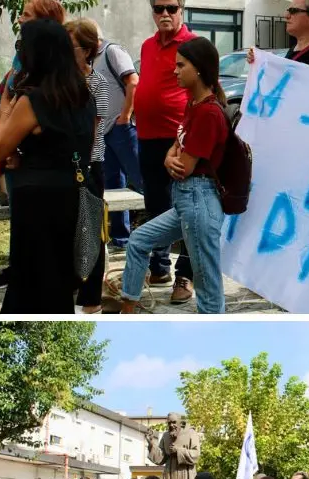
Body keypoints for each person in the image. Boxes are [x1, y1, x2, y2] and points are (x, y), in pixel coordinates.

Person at [0, 18, 96, 313]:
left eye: (22, 46)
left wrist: (5, 108)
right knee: (58, 283)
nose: (20, 53)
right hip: (73, 197)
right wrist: (30, 155)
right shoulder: (84, 95)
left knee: (29, 283)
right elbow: (75, 147)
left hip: (37, 204)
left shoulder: (34, 99)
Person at [119, 36, 228, 314]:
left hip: (199, 200)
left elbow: (184, 166)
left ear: (199, 69)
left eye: (181, 66)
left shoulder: (209, 112)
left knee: (207, 285)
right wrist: (170, 156)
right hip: (185, 203)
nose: (175, 71)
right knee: (139, 241)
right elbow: (176, 149)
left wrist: (172, 158)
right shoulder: (192, 105)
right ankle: (128, 308)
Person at [0, 0, 67, 294]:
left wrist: (7, 112)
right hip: (26, 165)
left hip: (37, 175)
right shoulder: (26, 58)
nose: (19, 18)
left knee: (35, 243)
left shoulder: (47, 85)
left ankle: (24, 274)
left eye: (26, 15)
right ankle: (19, 269)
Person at [135, 0, 198, 305]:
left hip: (180, 141)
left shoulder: (194, 44)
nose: (164, 14)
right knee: (156, 206)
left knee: (187, 210)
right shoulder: (147, 46)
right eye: (158, 8)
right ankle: (159, 268)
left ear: (181, 11)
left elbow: (205, 91)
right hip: (147, 137)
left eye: (171, 8)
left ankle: (185, 275)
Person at [66, 18, 111, 314]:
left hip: (89, 166)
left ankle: (92, 298)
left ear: (88, 50)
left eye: (71, 46)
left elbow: (94, 131)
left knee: (91, 233)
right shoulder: (57, 80)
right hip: (60, 168)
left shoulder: (98, 84)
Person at [91, 21, 141, 251]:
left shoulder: (112, 51)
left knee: (140, 180)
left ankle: (156, 236)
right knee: (113, 184)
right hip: (105, 131)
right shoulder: (92, 58)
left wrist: (125, 115)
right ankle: (121, 239)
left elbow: (133, 81)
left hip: (121, 128)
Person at [245, 0, 309, 77]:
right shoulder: (292, 50)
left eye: (293, 11)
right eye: (288, 11)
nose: (286, 15)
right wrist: (257, 62)